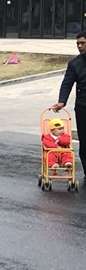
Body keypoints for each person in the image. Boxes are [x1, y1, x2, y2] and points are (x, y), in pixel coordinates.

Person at [53, 31, 86, 177]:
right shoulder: (74, 63)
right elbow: (67, 83)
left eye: (83, 43)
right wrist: (62, 101)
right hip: (82, 106)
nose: (80, 46)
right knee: (84, 140)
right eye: (78, 43)